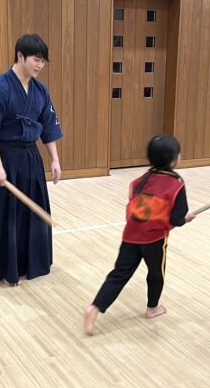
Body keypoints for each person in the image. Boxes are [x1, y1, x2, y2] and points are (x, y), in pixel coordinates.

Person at [83, 135, 195, 335]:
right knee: (156, 274)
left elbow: (138, 211)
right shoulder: (176, 183)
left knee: (118, 275)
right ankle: (153, 308)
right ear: (173, 159)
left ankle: (94, 308)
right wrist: (186, 218)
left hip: (130, 237)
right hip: (154, 240)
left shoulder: (138, 181)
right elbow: (177, 219)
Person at [0, 33, 63, 285]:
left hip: (30, 158)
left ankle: (31, 264)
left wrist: (54, 159)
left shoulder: (40, 90)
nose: (39, 66)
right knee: (6, 216)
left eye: (43, 62)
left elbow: (48, 125)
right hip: (4, 158)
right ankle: (4, 268)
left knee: (31, 214)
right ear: (20, 56)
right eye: (36, 60)